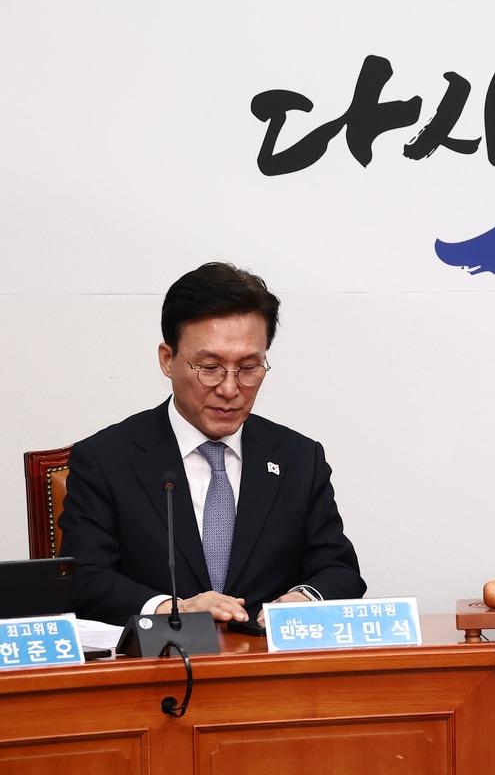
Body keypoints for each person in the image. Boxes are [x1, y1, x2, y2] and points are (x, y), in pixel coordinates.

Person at [60, 263, 365, 626]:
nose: (230, 388)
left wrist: (303, 599)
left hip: (265, 657)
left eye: (248, 368)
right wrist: (171, 609)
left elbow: (339, 569)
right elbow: (84, 580)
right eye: (209, 367)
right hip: (162, 657)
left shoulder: (298, 458)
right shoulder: (106, 459)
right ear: (168, 360)